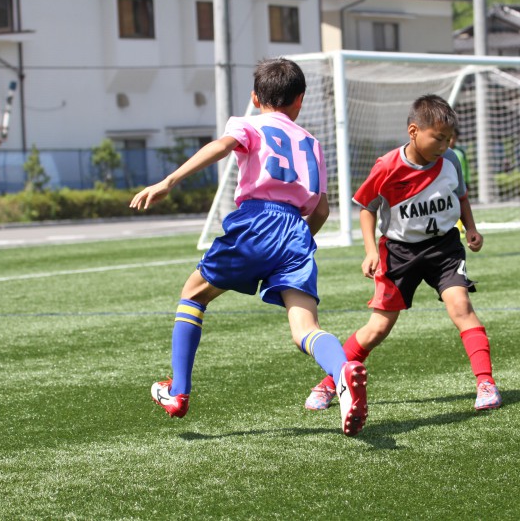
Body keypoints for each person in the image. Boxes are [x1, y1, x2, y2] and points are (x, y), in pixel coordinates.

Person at [130, 57, 368, 437]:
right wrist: (298, 238)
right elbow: (321, 209)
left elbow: (221, 147)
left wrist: (169, 181)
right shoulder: (312, 143)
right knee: (304, 328)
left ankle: (178, 392)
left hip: (258, 219)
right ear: (300, 100)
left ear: (256, 98)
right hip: (296, 229)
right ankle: (341, 371)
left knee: (193, 294)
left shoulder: (248, 124)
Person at [303, 94, 501, 413]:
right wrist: (370, 251)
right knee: (378, 327)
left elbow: (461, 197)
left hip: (444, 248)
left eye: (449, 138)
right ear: (413, 131)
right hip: (399, 253)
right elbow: (367, 209)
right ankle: (329, 384)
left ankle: (486, 384)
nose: (444, 145)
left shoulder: (451, 161)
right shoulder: (387, 166)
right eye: (438, 137)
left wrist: (472, 229)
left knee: (461, 306)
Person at [450, 128, 470, 238]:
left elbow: (466, 168)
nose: (451, 140)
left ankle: (460, 228)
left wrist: (467, 181)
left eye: (453, 138)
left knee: (460, 205)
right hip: (449, 184)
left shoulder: (460, 152)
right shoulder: (441, 153)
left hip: (460, 183)